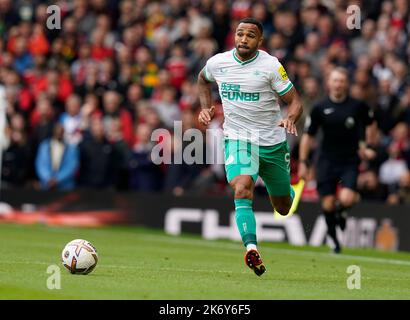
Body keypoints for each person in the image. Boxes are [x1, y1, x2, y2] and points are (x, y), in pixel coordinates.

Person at [197, 18, 303, 276]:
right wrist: (204, 107)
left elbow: (294, 100)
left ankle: (288, 189)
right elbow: (202, 79)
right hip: (238, 139)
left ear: (260, 41)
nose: (244, 39)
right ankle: (251, 248)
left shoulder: (270, 66)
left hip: (272, 143)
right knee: (242, 188)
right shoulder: (218, 63)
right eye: (240, 34)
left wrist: (290, 118)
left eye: (250, 35)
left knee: (283, 207)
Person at [298, 67, 376, 254]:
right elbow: (308, 137)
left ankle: (342, 210)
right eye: (335, 80)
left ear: (346, 83)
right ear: (329, 83)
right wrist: (303, 161)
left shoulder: (357, 106)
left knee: (347, 198)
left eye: (342, 80)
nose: (338, 84)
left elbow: (372, 124)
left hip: (349, 160)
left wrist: (369, 146)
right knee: (327, 204)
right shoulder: (319, 108)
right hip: (326, 160)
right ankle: (334, 240)